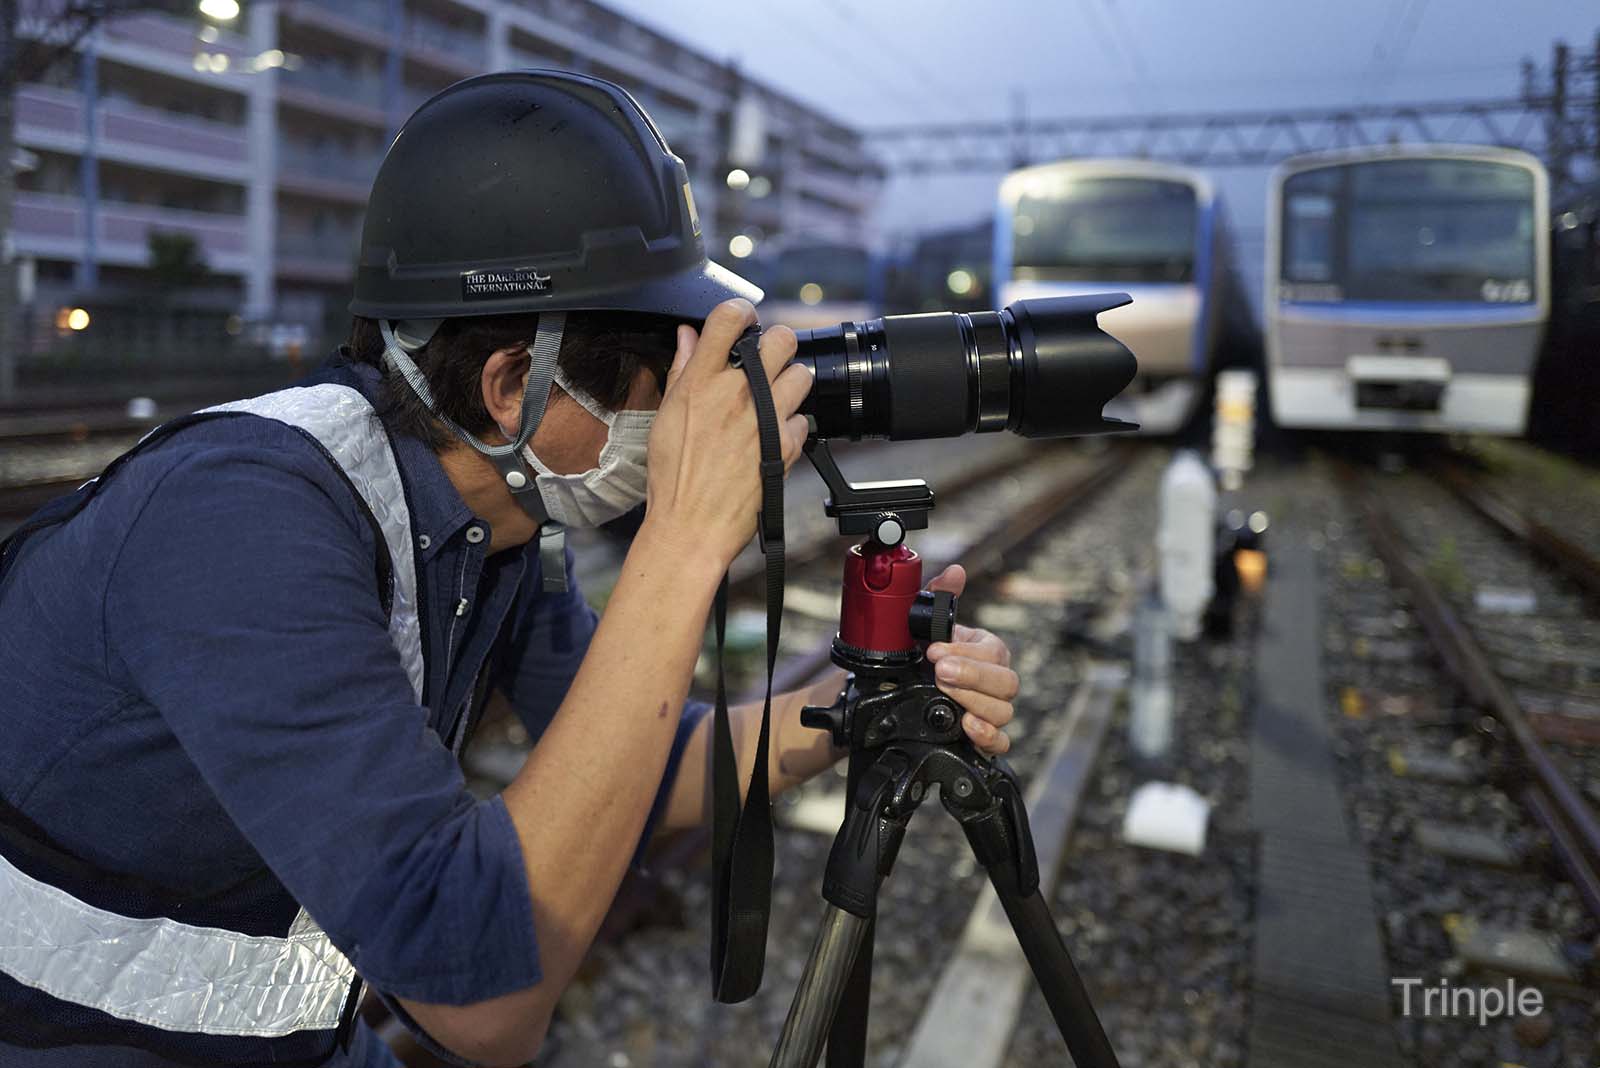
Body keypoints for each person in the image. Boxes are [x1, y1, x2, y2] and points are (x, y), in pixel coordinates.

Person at [0, 71, 1020, 1067]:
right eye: (664, 380)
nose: (681, 417)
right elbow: (478, 1005)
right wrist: (680, 540)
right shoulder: (241, 522)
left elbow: (650, 757)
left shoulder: (500, 528)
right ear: (513, 385)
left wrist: (859, 710)